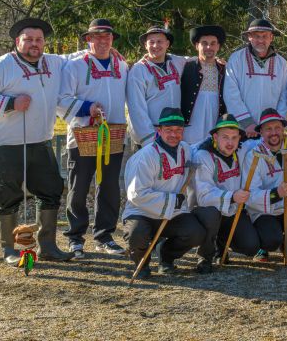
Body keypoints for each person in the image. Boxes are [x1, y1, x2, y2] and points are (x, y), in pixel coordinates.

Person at [0, 18, 73, 264]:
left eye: (38, 39)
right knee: (8, 195)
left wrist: (108, 50)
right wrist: (10, 103)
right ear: (17, 41)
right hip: (7, 144)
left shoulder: (53, 62)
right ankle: (10, 249)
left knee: (51, 190)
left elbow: (79, 57)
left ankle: (48, 246)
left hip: (41, 142)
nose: (34, 44)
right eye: (28, 39)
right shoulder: (4, 65)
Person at [58, 18, 129, 258]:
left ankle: (104, 236)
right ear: (88, 39)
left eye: (107, 36)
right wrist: (86, 108)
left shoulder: (122, 65)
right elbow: (62, 99)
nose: (102, 40)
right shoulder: (75, 66)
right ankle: (75, 237)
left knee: (109, 187)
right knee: (78, 188)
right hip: (83, 136)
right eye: (96, 36)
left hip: (113, 135)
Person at [122, 107, 205, 278]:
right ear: (159, 131)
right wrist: (172, 200)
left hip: (172, 213)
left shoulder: (185, 150)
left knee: (196, 233)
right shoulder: (145, 156)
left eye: (178, 130)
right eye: (168, 130)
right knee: (136, 235)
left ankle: (166, 257)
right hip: (142, 212)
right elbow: (136, 194)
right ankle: (142, 263)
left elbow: (202, 149)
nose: (174, 135)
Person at [242, 108, 287, 264]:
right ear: (261, 132)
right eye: (268, 129)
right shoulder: (253, 155)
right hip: (265, 210)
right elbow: (250, 194)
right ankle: (265, 246)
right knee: (271, 240)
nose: (273, 132)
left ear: (283, 129)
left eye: (277, 128)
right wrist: (276, 194)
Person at [190, 114, 259, 273]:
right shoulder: (203, 156)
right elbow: (203, 196)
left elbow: (262, 142)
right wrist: (232, 196)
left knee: (251, 246)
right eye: (225, 137)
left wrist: (283, 139)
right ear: (215, 136)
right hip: (206, 211)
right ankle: (205, 255)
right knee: (211, 214)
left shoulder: (241, 150)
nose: (230, 142)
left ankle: (221, 244)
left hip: (232, 210)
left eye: (234, 137)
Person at [223, 19, 287, 138]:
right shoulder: (236, 59)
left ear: (271, 37)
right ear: (249, 37)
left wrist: (275, 123)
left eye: (265, 36)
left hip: (270, 131)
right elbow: (231, 94)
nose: (261, 40)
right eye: (256, 36)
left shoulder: (281, 63)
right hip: (242, 129)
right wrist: (247, 123)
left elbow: (284, 96)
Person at [127, 25, 187, 148]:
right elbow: (136, 108)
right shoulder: (138, 70)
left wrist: (216, 60)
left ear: (167, 44)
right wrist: (150, 139)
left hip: (173, 134)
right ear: (145, 45)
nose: (155, 46)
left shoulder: (177, 62)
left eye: (159, 41)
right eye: (151, 42)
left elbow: (198, 60)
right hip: (152, 135)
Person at [181, 25, 228, 144]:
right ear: (197, 46)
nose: (209, 47)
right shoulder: (185, 65)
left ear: (218, 46)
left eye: (213, 43)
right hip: (190, 127)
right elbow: (164, 58)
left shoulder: (225, 70)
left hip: (214, 123)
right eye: (204, 43)